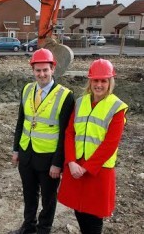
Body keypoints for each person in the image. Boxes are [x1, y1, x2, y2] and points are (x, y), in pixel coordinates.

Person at [58, 59, 128, 234]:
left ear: (110, 82)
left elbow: (110, 144)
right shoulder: (81, 102)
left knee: (94, 216)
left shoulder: (116, 107)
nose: (99, 84)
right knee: (79, 209)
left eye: (103, 80)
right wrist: (71, 161)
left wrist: (87, 168)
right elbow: (70, 133)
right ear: (90, 81)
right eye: (95, 80)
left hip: (98, 171)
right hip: (76, 166)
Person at [10, 48, 75, 234]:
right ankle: (28, 226)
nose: (42, 74)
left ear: (53, 68)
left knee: (48, 198)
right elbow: (21, 121)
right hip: (27, 154)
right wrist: (16, 150)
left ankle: (43, 229)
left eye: (45, 70)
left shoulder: (65, 95)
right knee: (29, 194)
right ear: (33, 71)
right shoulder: (27, 89)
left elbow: (65, 133)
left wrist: (58, 163)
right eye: (38, 70)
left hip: (48, 158)